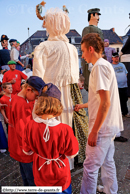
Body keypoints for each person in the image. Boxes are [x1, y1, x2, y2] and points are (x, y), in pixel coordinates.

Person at [33, 2, 88, 169]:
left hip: (49, 92)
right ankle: (68, 160)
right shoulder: (71, 47)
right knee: (66, 124)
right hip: (69, 93)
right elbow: (74, 76)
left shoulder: (43, 47)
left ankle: (51, 158)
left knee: (50, 124)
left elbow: (37, 75)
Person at [74, 33, 123, 194]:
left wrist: (94, 131)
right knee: (107, 162)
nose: (82, 56)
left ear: (90, 49)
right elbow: (100, 99)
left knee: (90, 167)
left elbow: (105, 102)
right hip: (110, 125)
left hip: (102, 127)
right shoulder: (105, 65)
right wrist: (82, 105)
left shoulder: (99, 67)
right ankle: (111, 190)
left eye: (82, 51)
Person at [23, 83, 79, 194]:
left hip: (40, 170)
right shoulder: (65, 129)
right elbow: (72, 153)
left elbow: (27, 151)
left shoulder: (30, 125)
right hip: (60, 173)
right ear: (57, 104)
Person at [8, 76, 46, 186]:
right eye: (36, 96)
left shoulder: (15, 98)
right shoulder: (22, 104)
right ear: (29, 90)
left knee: (26, 177)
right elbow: (23, 131)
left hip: (17, 146)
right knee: (32, 180)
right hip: (25, 149)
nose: (35, 99)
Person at [82, 8, 104, 91]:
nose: (98, 17)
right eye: (97, 15)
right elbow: (85, 44)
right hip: (91, 58)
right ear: (92, 15)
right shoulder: (87, 29)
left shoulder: (100, 30)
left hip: (99, 58)